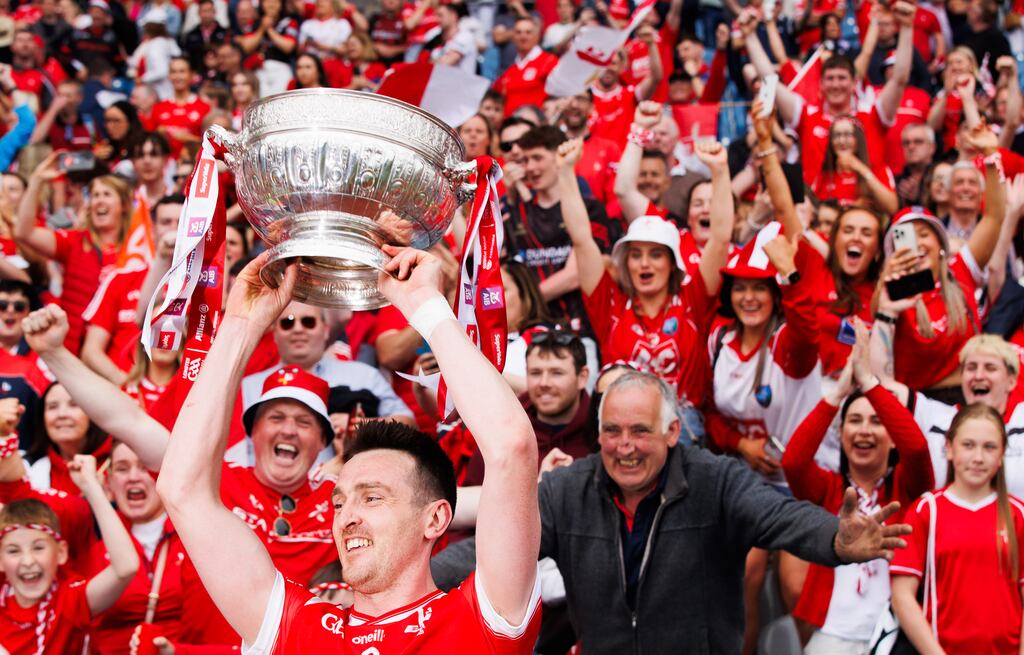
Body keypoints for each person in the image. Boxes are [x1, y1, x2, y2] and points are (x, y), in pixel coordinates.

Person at [155, 247, 543, 652]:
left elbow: (512, 448)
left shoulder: (481, 618)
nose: (347, 517)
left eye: (372, 497)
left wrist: (426, 307)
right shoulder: (296, 624)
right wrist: (240, 325)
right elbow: (182, 490)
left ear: (435, 519)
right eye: (339, 504)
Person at [435, 370, 913, 653]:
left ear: (672, 431)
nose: (625, 447)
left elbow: (780, 517)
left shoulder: (717, 481)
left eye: (640, 431)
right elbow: (492, 551)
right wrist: (417, 580)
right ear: (598, 434)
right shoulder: (566, 492)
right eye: (613, 432)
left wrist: (835, 539)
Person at [563, 133, 732, 440]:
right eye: (635, 255)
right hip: (623, 427)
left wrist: (720, 172)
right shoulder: (609, 303)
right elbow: (581, 240)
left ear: (672, 263)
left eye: (656, 254)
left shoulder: (693, 299)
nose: (644, 264)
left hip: (682, 427)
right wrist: (565, 172)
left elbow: (720, 238)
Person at [781, 324, 933, 652]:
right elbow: (793, 462)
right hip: (832, 633)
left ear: (892, 437)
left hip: (896, 634)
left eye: (877, 421)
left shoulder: (908, 489)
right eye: (855, 420)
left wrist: (869, 383)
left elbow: (918, 449)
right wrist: (837, 395)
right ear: (842, 433)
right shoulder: (826, 488)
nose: (864, 430)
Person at [872, 124, 1005, 400]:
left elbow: (993, 216)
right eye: (907, 237)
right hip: (917, 406)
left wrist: (991, 155)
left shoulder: (962, 270)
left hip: (968, 400)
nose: (918, 243)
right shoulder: (891, 292)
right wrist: (888, 280)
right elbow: (879, 320)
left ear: (942, 246)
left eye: (925, 235)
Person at [890, 404, 1024, 654]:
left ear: (1002, 453)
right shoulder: (926, 511)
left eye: (989, 447)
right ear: (949, 448)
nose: (978, 457)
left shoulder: (1018, 515)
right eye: (968, 445)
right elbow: (902, 596)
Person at [0, 452, 140, 654]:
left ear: (61, 552)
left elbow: (126, 568)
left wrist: (91, 488)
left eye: (39, 548)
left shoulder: (69, 601)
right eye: (13, 551)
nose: (28, 561)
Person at [872, 333, 1024, 494]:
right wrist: (887, 315)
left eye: (990, 368)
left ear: (1012, 381)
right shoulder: (932, 415)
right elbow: (880, 383)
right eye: (971, 367)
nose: (979, 376)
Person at [502, 125, 613, 335]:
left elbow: (575, 275)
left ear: (558, 156)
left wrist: (525, 303)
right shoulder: (516, 213)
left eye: (537, 157)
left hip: (578, 329)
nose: (530, 167)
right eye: (524, 161)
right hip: (529, 332)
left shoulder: (590, 209)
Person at [14, 164, 132, 354]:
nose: (99, 201)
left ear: (124, 205)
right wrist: (36, 182)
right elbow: (24, 232)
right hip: (71, 350)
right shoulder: (75, 241)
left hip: (114, 354)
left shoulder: (136, 250)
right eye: (95, 195)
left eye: (106, 194)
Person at [812, 115, 899, 215]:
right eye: (836, 136)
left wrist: (862, 169)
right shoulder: (824, 174)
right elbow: (814, 211)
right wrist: (851, 207)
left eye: (848, 135)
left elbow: (892, 208)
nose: (841, 141)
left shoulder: (877, 169)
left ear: (859, 139)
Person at [492, 15, 558, 117]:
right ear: (513, 37)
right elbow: (495, 96)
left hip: (536, 125)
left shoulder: (549, 61)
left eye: (528, 32)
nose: (523, 36)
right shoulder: (510, 71)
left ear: (537, 36)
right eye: (518, 32)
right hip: (510, 125)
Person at [150, 56, 211, 158]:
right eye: (173, 72)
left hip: (194, 163)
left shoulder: (204, 107)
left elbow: (213, 145)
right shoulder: (158, 108)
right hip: (164, 164)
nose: (177, 76)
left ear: (191, 75)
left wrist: (190, 139)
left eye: (182, 71)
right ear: (169, 76)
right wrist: (158, 135)